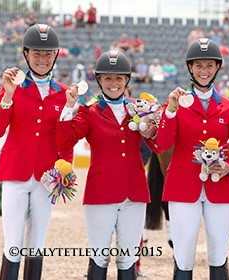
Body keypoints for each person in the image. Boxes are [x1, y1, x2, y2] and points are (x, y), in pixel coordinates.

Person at [56, 50, 159, 279]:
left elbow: (158, 146)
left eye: (119, 78)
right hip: (101, 193)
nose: (114, 83)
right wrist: (68, 107)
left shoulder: (140, 108)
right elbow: (65, 140)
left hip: (135, 193)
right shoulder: (89, 111)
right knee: (99, 256)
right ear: (99, 80)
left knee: (128, 257)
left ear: (126, 80)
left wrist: (153, 130)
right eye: (108, 78)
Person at [155, 38, 229, 279]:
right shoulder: (175, 103)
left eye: (209, 65)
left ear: (217, 68)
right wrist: (171, 110)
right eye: (199, 65)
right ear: (190, 68)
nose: (204, 71)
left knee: (219, 256)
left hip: (221, 189)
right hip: (183, 187)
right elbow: (162, 144)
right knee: (184, 256)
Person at [0, 24, 72, 279]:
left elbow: (66, 139)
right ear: (26, 54)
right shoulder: (13, 86)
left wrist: (65, 167)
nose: (42, 59)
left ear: (56, 55)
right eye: (37, 53)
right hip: (15, 173)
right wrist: (8, 96)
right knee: (13, 243)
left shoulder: (63, 94)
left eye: (48, 54)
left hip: (46, 177)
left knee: (36, 243)